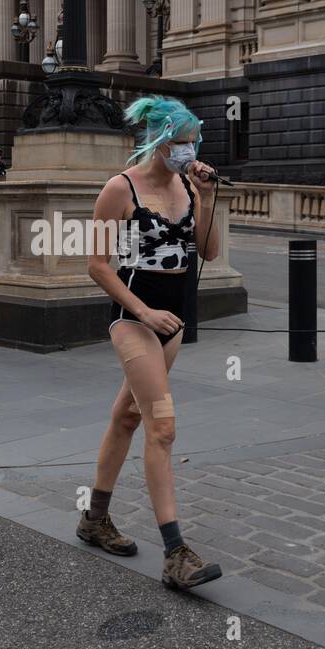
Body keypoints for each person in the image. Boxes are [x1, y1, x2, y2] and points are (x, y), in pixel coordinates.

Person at [82, 96, 224, 592]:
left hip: (173, 321)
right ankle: (176, 553)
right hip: (135, 318)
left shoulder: (188, 184)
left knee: (127, 414)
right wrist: (141, 312)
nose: (188, 152)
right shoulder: (119, 189)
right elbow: (97, 264)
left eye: (192, 142)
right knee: (161, 428)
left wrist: (206, 199)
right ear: (158, 141)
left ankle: (94, 517)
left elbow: (207, 250)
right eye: (180, 143)